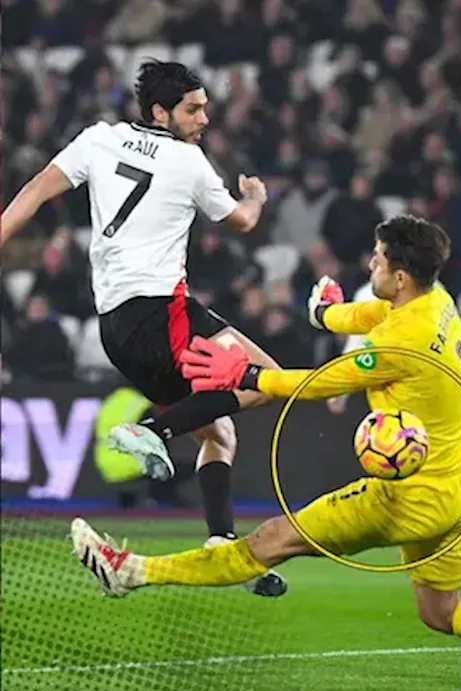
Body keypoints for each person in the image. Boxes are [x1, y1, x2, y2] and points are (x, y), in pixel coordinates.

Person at [69, 216, 461, 685]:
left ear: (398, 274)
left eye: (376, 260)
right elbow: (367, 313)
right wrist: (325, 312)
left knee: (269, 541)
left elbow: (325, 382)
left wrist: (244, 372)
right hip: (455, 489)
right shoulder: (432, 303)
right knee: (439, 613)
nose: (370, 264)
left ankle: (132, 572)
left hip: (406, 497)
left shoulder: (403, 339)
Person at [0, 59, 286, 598]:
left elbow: (36, 191)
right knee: (269, 379)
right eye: (193, 109)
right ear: (161, 113)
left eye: (205, 106)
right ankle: (154, 430)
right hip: (162, 315)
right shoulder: (190, 162)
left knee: (219, 432)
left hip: (116, 330)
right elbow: (243, 224)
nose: (204, 117)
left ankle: (221, 546)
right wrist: (254, 196)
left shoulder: (98, 140)